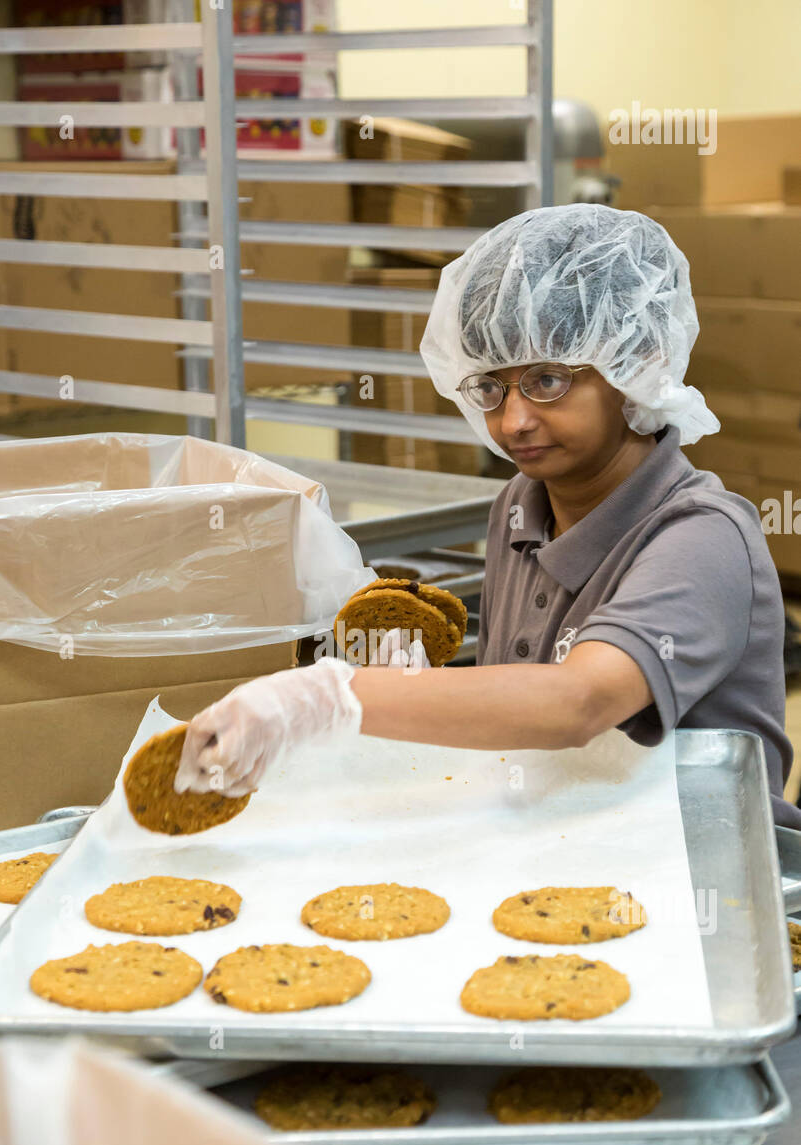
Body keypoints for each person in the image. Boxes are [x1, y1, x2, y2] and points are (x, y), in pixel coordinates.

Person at [175, 204, 801, 832]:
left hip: (698, 873)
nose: (513, 422)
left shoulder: (702, 535)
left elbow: (578, 702)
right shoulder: (520, 505)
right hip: (555, 842)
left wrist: (328, 699)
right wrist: (420, 693)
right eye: (490, 387)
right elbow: (524, 710)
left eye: (548, 380)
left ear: (635, 368)